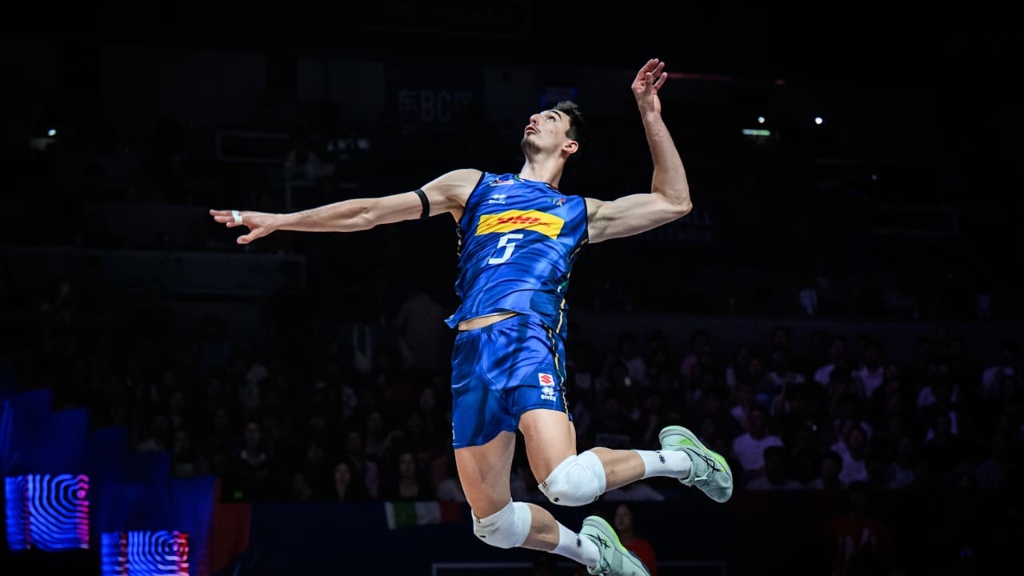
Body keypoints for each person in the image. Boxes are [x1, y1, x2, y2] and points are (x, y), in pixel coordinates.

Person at [210, 58, 732, 576]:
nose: (537, 117)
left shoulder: (580, 212)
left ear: (570, 146)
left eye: (552, 117)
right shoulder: (473, 186)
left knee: (566, 483)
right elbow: (370, 212)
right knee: (493, 525)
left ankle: (683, 460)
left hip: (527, 339)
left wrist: (649, 113)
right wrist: (284, 220)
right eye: (537, 114)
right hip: (470, 353)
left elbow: (674, 202)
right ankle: (594, 552)